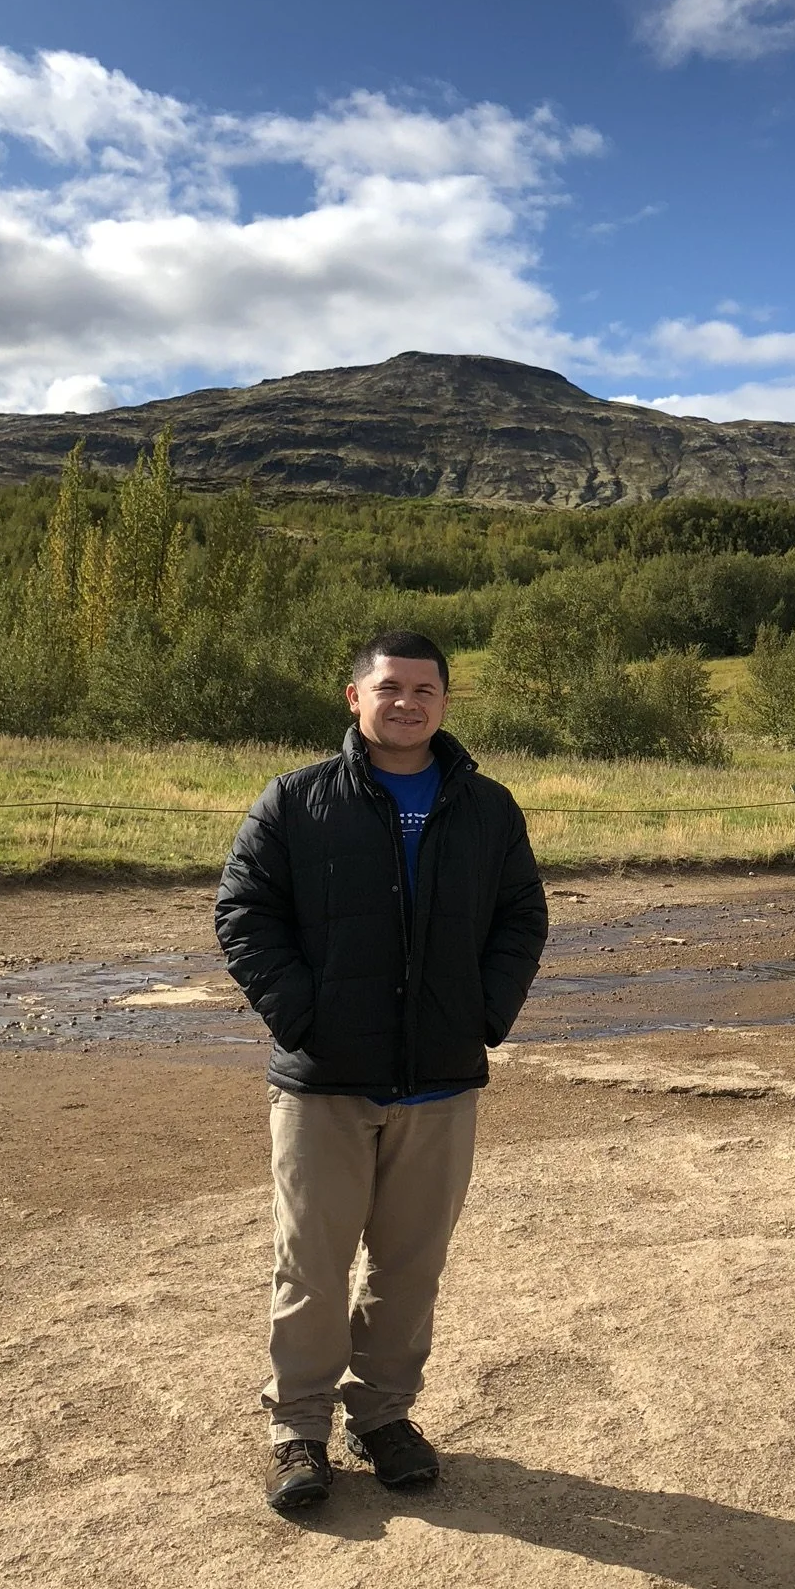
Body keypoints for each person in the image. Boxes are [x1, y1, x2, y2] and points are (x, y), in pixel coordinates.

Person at [215, 630, 547, 1513]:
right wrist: (303, 1014)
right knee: (311, 1264)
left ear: (445, 703)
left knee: (410, 1267)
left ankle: (385, 1416)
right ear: (353, 697)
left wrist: (480, 1015)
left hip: (440, 1082)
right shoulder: (296, 800)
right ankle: (299, 1428)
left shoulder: (486, 806)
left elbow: (521, 917)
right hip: (324, 1081)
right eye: (389, 688)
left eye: (425, 690)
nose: (407, 703)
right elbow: (244, 909)